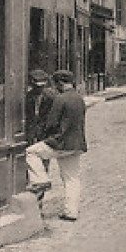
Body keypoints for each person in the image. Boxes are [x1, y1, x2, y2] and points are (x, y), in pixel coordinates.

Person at [25, 69, 87, 221]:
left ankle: (41, 180)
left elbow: (51, 123)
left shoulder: (60, 99)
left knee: (31, 152)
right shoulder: (79, 98)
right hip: (77, 144)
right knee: (72, 179)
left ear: (60, 83)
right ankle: (71, 212)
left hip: (60, 143)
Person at [25, 68, 57, 145]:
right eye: (36, 86)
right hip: (31, 133)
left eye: (41, 86)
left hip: (46, 133)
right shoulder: (28, 97)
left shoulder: (51, 97)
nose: (39, 89)